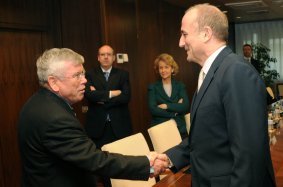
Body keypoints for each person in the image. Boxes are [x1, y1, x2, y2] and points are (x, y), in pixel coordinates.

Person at [156, 4, 276, 187]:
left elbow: (249, 156)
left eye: (184, 34)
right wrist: (169, 158)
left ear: (206, 34)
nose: (181, 42)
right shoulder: (213, 71)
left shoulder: (236, 72)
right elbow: (208, 136)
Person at [18, 48, 168, 187]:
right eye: (77, 75)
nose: (84, 80)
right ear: (53, 82)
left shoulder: (40, 102)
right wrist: (147, 164)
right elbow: (95, 160)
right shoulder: (54, 118)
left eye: (83, 73)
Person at [84, 45, 132, 149]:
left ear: (113, 57)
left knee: (121, 159)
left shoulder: (123, 74)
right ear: (98, 57)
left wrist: (99, 96)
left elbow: (125, 97)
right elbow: (88, 95)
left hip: (119, 126)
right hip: (98, 126)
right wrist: (112, 93)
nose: (106, 57)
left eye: (109, 54)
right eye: (102, 54)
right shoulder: (90, 74)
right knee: (99, 160)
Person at [148, 53, 190, 139]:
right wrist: (175, 111)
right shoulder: (153, 87)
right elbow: (153, 109)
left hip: (180, 128)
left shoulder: (180, 86)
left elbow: (185, 106)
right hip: (161, 128)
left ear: (172, 69)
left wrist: (167, 106)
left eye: (166, 67)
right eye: (161, 68)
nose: (163, 70)